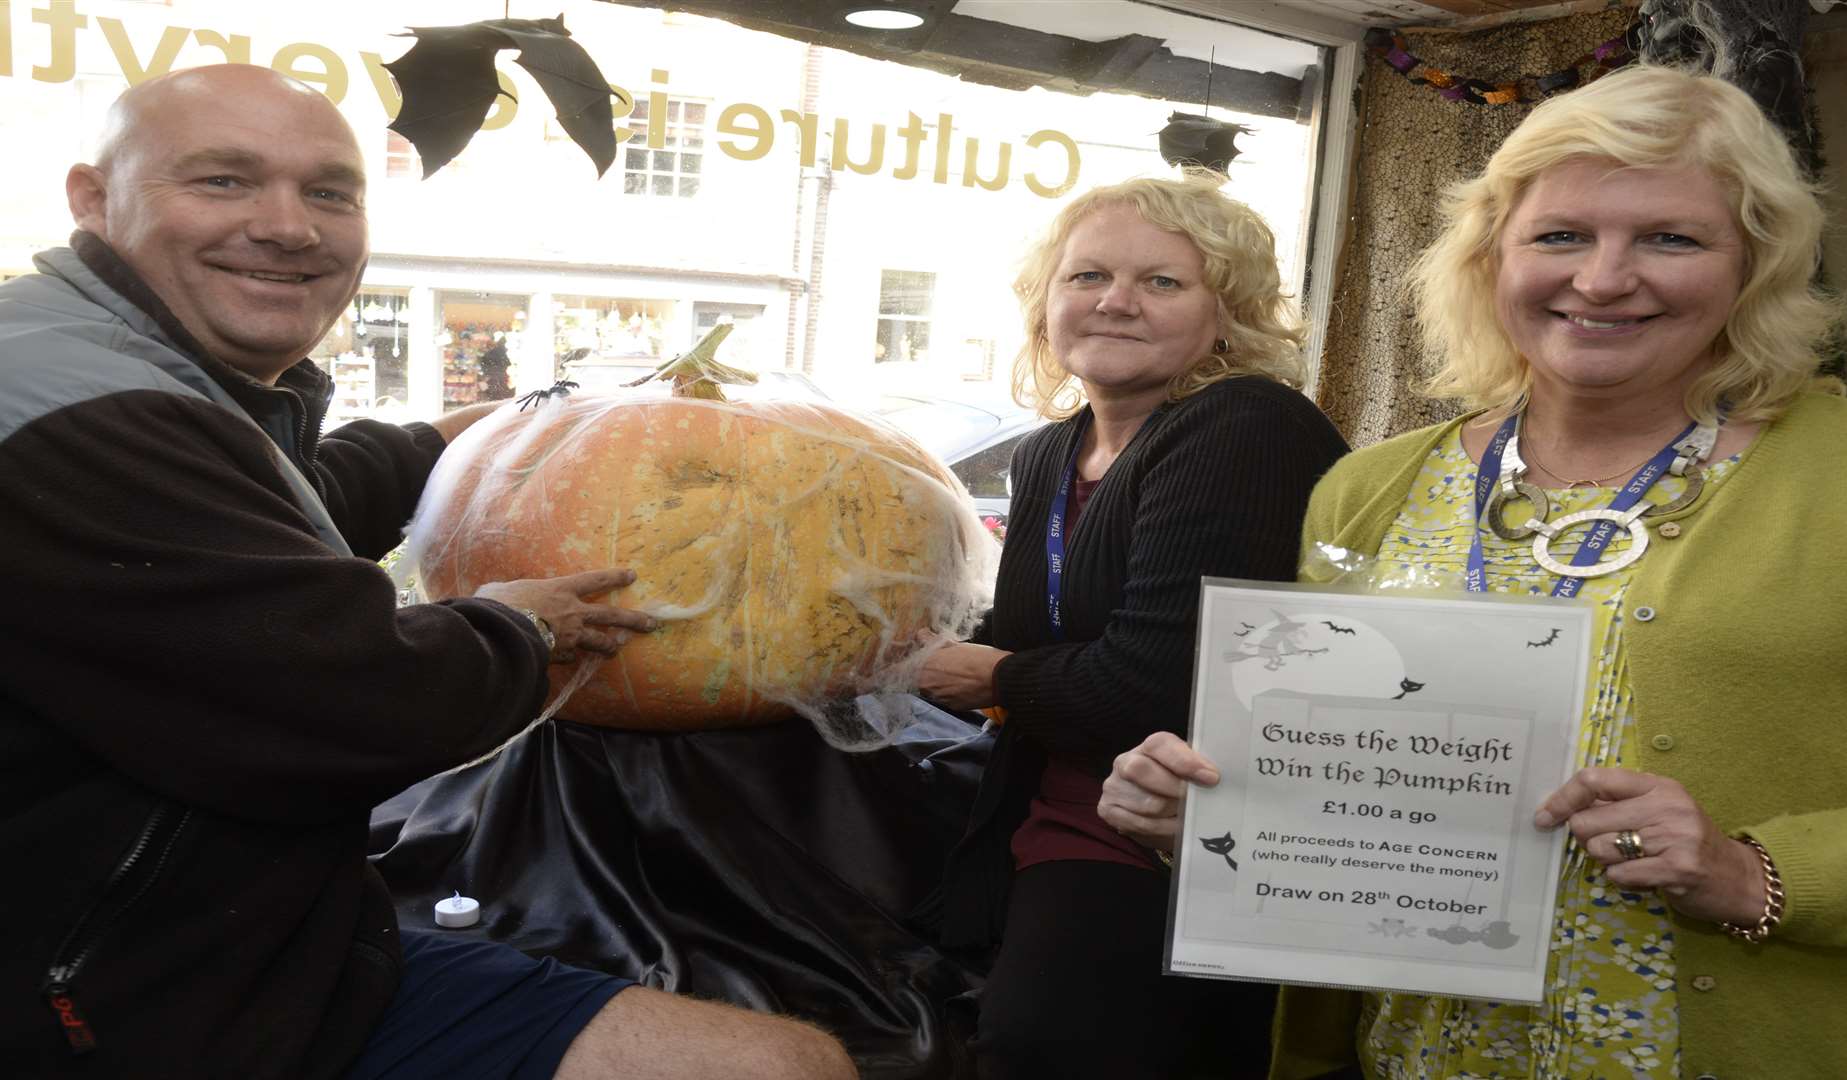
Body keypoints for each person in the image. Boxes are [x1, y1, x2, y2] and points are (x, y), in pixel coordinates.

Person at [0, 65, 854, 1079]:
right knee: (785, 1068)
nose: (287, 226)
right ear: (93, 199)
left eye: (330, 192)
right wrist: (519, 629)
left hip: (230, 944)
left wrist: (487, 435)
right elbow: (347, 699)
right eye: (223, 182)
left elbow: (260, 515)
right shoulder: (80, 412)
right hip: (131, 1007)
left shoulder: (92, 366)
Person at [1098, 64, 1847, 1080]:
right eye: (1562, 235)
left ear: (1754, 266)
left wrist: (1754, 874)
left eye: (1672, 237)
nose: (1605, 278)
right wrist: (1215, 823)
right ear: (1492, 257)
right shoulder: (1370, 490)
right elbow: (1337, 800)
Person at [916, 175, 1348, 1077]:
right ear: (1046, 303)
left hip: (1186, 834)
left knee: (1040, 1046)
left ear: (1226, 315)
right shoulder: (1050, 449)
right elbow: (1043, 625)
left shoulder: (1243, 425)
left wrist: (989, 678)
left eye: (1162, 282)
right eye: (1087, 277)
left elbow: (1154, 686)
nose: (1115, 301)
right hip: (1056, 800)